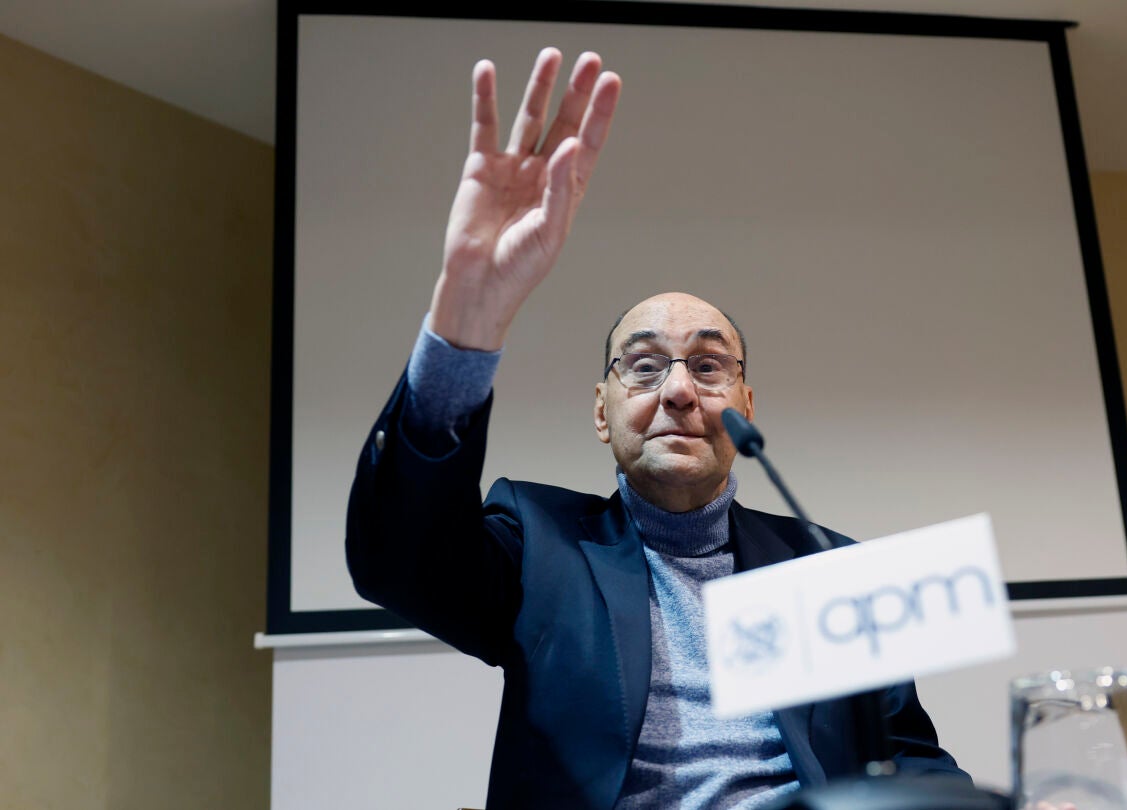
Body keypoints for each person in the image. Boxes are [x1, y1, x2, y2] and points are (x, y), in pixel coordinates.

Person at [346, 48, 967, 810]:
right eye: (643, 367)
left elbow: (908, 761)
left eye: (708, 367)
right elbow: (398, 561)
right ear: (601, 411)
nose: (678, 390)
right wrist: (465, 327)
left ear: (746, 404)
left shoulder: (826, 567)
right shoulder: (540, 547)